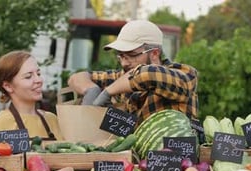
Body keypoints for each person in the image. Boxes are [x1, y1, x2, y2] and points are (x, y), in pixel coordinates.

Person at [68, 20, 199, 123]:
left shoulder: (185, 74)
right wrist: (91, 89)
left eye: (131, 55)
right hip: (130, 156)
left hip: (172, 155)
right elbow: (76, 78)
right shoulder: (121, 76)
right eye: (121, 56)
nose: (124, 63)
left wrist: (108, 91)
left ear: (154, 53)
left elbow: (148, 74)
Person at [0, 50, 63, 140]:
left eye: (38, 74)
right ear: (8, 86)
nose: (39, 80)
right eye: (28, 76)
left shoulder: (52, 119)